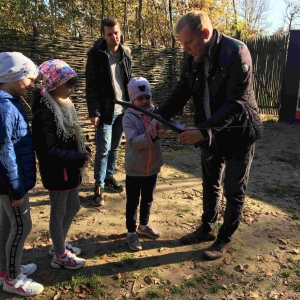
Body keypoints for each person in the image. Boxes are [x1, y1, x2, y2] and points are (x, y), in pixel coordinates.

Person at [146, 11, 263, 260]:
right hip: (209, 132)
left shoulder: (236, 53)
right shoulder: (193, 56)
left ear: (205, 34)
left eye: (188, 42)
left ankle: (224, 238)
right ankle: (207, 228)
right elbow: (182, 89)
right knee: (210, 183)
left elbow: (237, 103)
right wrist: (158, 117)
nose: (185, 48)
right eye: (182, 43)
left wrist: (202, 130)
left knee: (233, 190)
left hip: (238, 133)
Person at [31, 59, 90, 269]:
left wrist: (83, 151)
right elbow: (47, 150)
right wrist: (78, 158)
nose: (71, 91)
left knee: (73, 206)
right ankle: (59, 255)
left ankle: (58, 245)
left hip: (69, 167)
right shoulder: (44, 111)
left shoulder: (63, 105)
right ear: (55, 85)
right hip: (58, 171)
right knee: (58, 213)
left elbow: (72, 135)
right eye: (68, 86)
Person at [0, 52, 44, 296]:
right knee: (21, 225)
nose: (33, 84)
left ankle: (4, 269)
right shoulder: (4, 107)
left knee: (6, 225)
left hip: (7, 183)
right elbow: (4, 151)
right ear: (14, 76)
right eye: (29, 79)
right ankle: (13, 277)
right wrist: (16, 189)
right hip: (9, 184)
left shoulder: (10, 103)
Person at [85, 17, 132, 206]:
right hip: (105, 111)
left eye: (117, 32)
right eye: (110, 34)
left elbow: (128, 82)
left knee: (114, 147)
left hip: (123, 109)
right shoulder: (96, 55)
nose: (114, 37)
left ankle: (110, 177)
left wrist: (133, 104)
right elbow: (91, 86)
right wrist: (93, 111)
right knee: (103, 150)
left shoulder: (125, 54)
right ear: (103, 35)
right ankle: (98, 186)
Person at [123, 77, 168, 251]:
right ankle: (131, 232)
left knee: (148, 199)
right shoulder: (128, 117)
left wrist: (163, 130)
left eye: (147, 97)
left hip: (153, 165)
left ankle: (144, 225)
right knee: (133, 201)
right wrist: (155, 135)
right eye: (139, 98)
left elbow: (161, 128)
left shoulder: (156, 113)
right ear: (132, 98)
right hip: (135, 167)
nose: (144, 101)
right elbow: (134, 142)